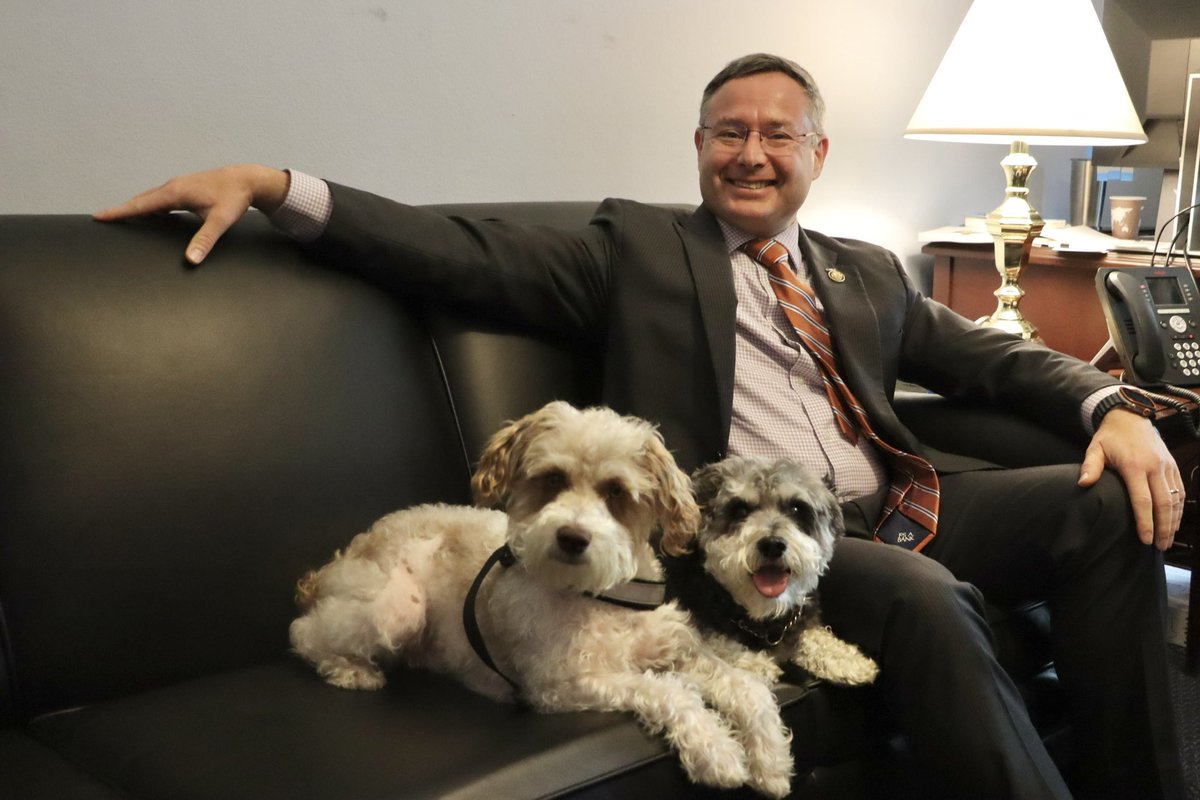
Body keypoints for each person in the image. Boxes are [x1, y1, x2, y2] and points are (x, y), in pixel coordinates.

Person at [96, 53, 1185, 799]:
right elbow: (455, 248)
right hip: (759, 537)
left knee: (1108, 503)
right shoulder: (634, 248)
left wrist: (1111, 407)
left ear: (818, 151)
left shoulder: (866, 266)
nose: (751, 152)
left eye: (778, 134)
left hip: (904, 499)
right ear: (700, 145)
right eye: (728, 132)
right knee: (925, 598)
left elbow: (987, 351)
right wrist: (285, 186)